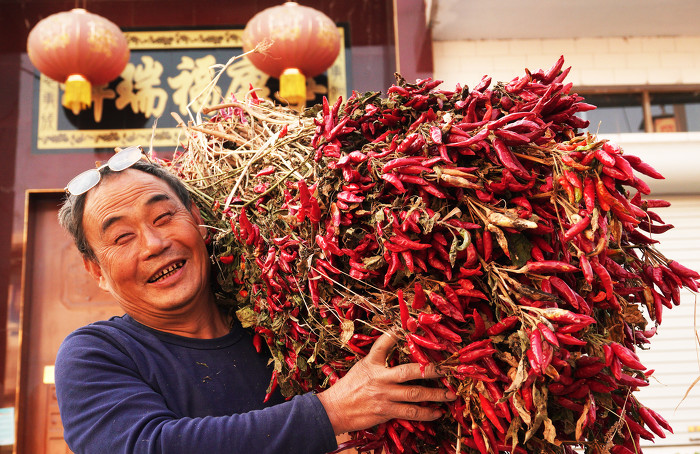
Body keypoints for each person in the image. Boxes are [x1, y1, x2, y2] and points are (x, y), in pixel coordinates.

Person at [55, 147, 456, 454]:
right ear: (96, 271)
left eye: (163, 217)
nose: (155, 244)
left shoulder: (285, 323)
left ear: (198, 221)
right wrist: (331, 412)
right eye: (123, 238)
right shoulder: (95, 354)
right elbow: (153, 446)